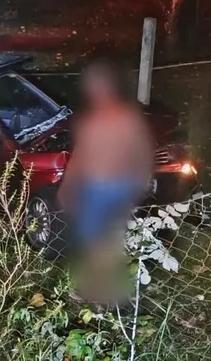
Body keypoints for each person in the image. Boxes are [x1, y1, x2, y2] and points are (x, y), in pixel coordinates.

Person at [57, 59, 155, 303]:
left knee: (101, 238)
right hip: (98, 186)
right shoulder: (96, 120)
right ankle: (98, 286)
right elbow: (80, 155)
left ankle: (105, 289)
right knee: (98, 238)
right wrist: (68, 185)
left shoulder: (124, 117)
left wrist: (142, 178)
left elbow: (142, 149)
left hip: (113, 186)